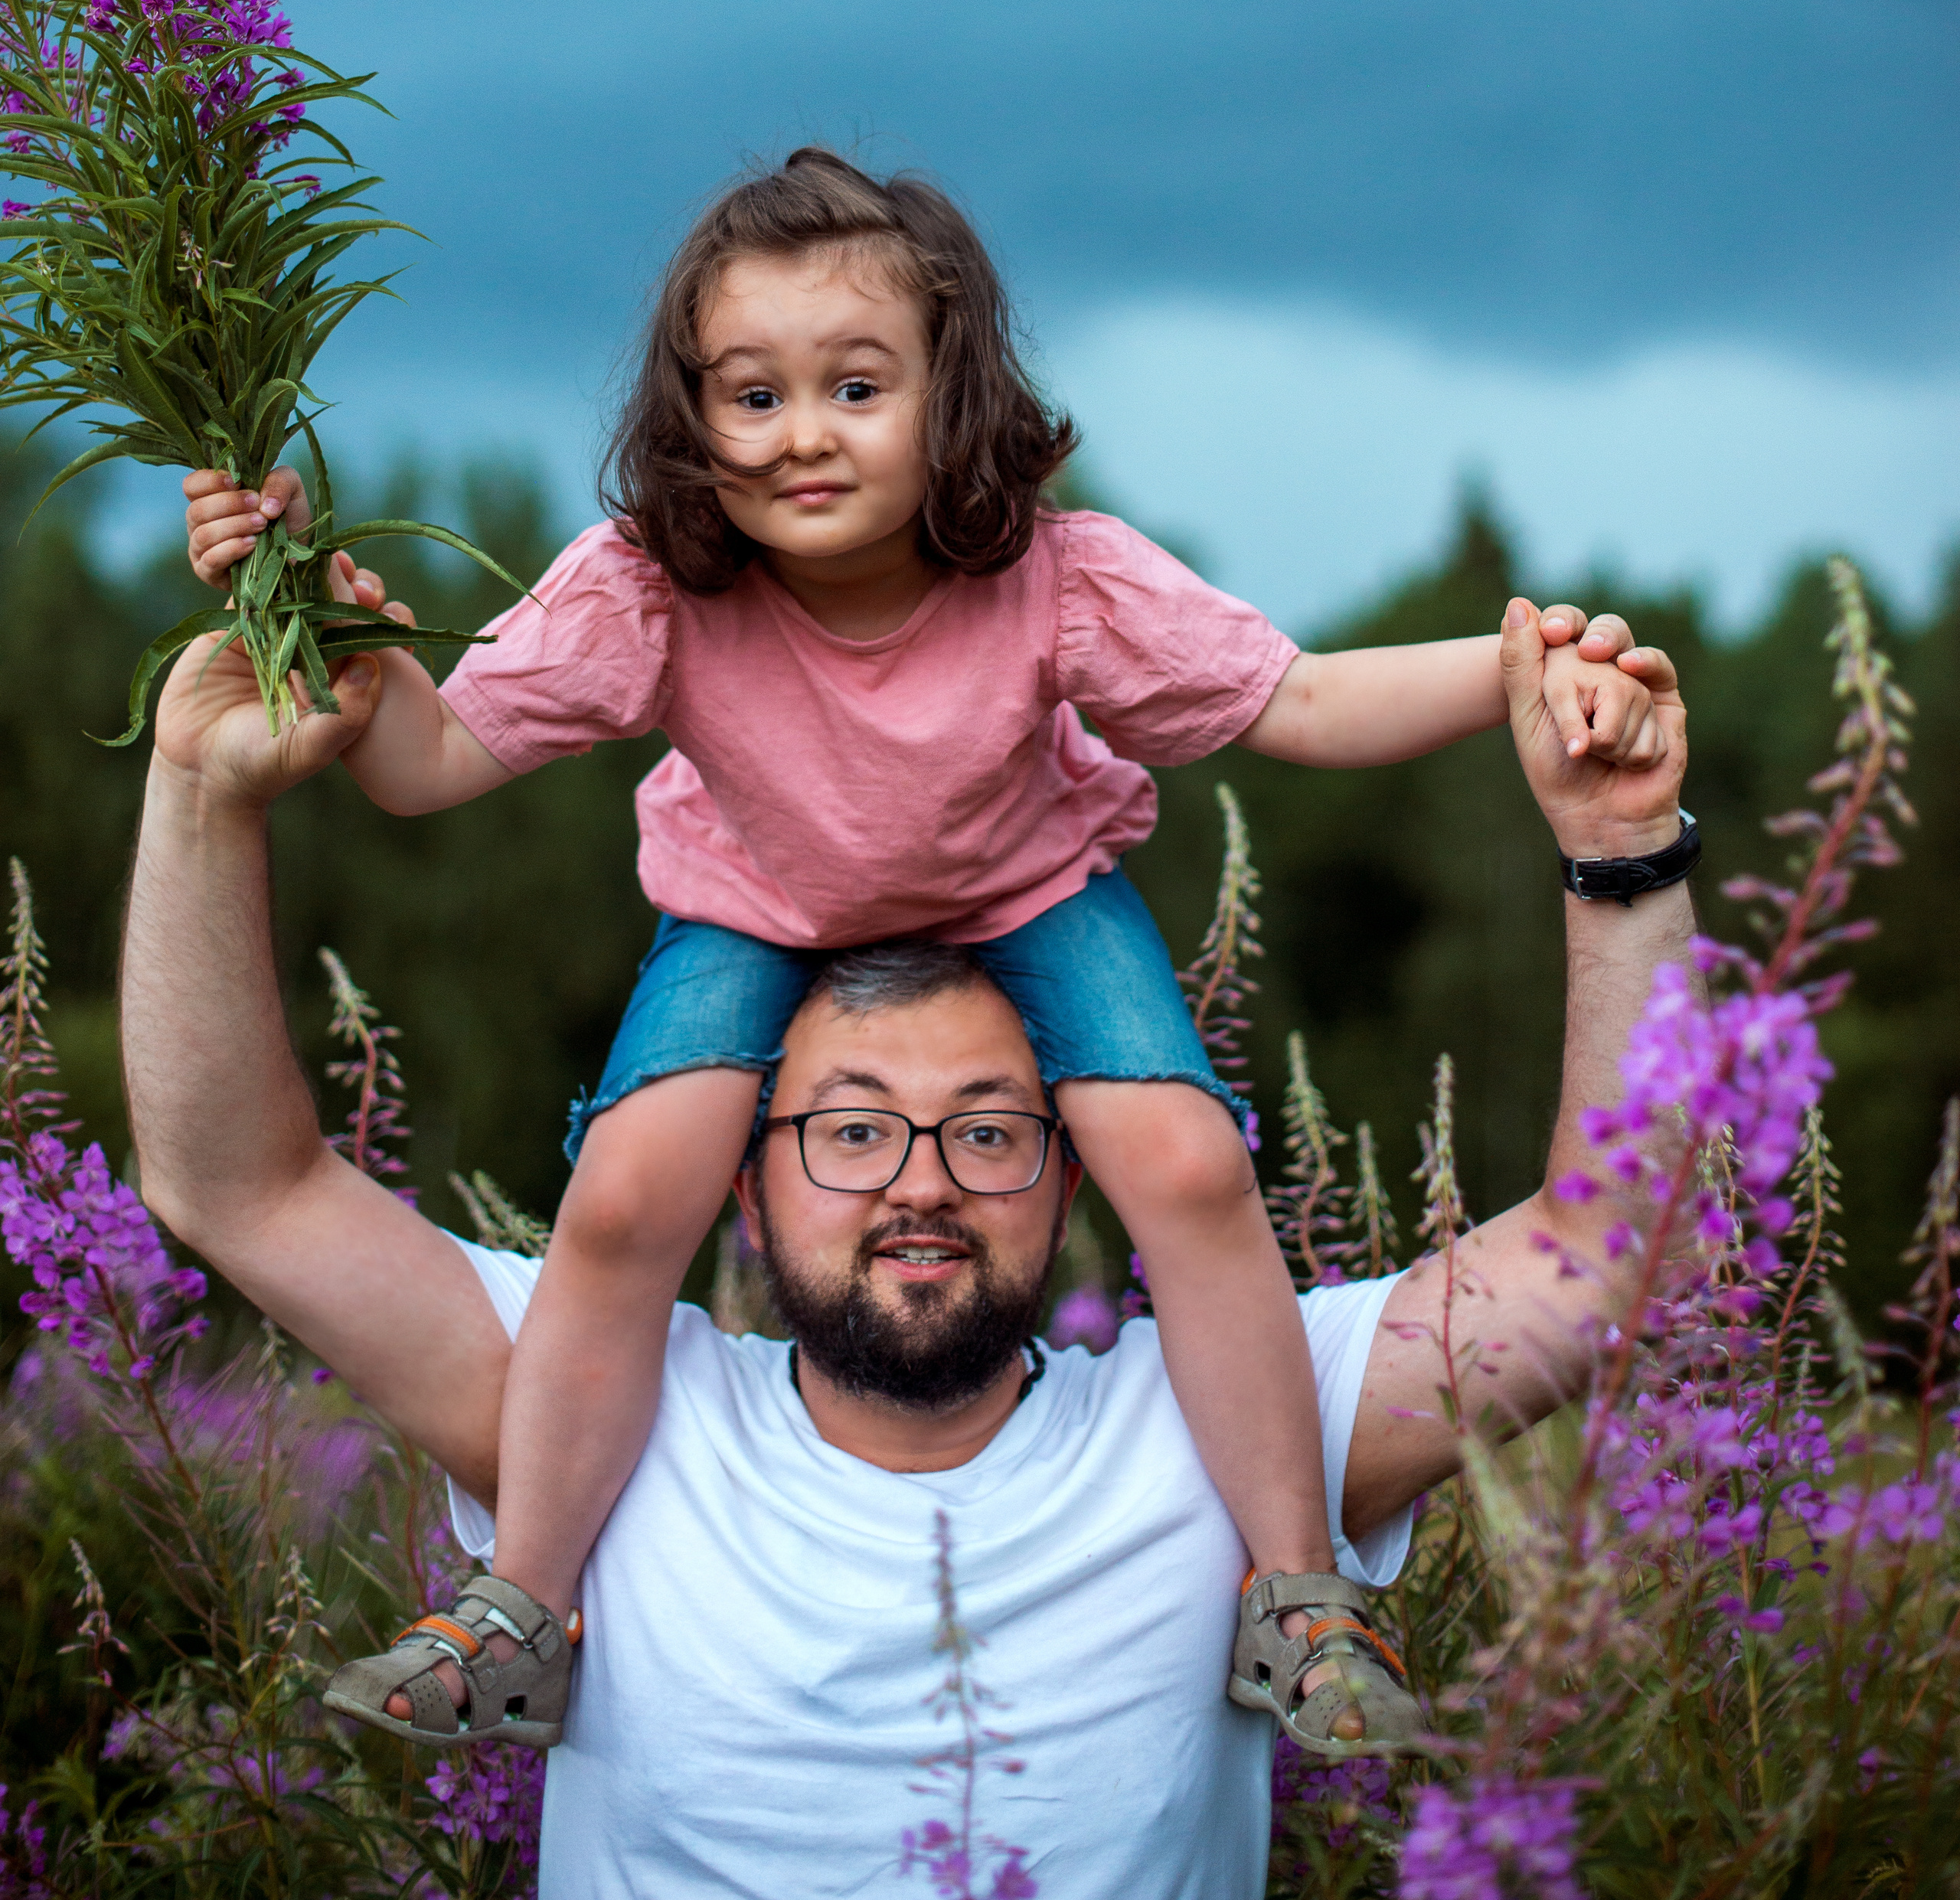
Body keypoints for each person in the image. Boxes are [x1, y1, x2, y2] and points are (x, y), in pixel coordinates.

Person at [177, 149, 1674, 1752]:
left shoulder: (1053, 578)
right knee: (620, 1195)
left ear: (950, 394)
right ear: (690, 419)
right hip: (754, 898)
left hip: (1024, 884)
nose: (801, 433)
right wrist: (306, 606)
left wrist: (1520, 667)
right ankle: (521, 1605)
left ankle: (1300, 1591)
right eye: (750, 395)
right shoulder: (649, 592)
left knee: (1187, 1168)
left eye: (856, 385)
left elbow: (1297, 700)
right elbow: (423, 762)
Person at [120, 584, 1694, 1895]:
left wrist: (1621, 851)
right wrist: (201, 792)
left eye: (990, 1130)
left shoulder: (1237, 1418)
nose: (919, 1185)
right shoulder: (593, 1415)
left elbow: (1605, 1255)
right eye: (852, 1129)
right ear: (743, 1188)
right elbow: (236, 1186)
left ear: (1074, 1183)